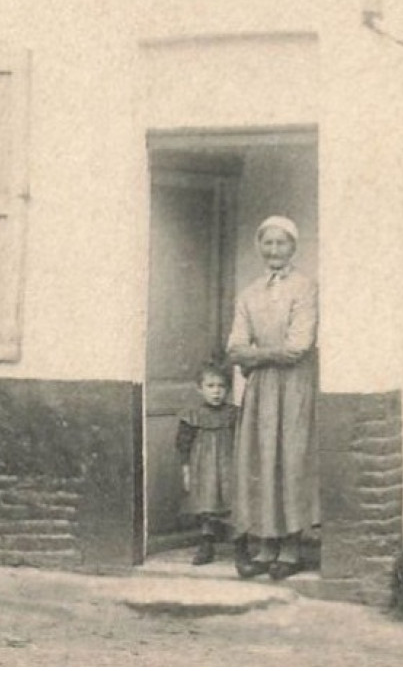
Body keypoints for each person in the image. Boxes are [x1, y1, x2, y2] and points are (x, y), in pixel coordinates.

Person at [227, 215, 318, 580]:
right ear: (259, 247)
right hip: (261, 389)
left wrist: (256, 354)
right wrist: (259, 354)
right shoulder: (249, 293)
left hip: (293, 386)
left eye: (282, 243)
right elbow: (234, 345)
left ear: (293, 247)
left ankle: (292, 547)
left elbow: (299, 346)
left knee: (290, 458)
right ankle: (266, 545)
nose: (274, 250)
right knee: (261, 460)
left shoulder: (305, 288)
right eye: (268, 243)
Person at [175, 360, 240, 566]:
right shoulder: (192, 415)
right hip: (203, 467)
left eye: (221, 387)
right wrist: (186, 470)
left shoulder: (234, 414)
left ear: (228, 390)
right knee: (206, 503)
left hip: (230, 465)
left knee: (234, 502)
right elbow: (183, 445)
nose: (216, 392)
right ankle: (206, 544)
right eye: (210, 386)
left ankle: (241, 546)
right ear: (199, 389)